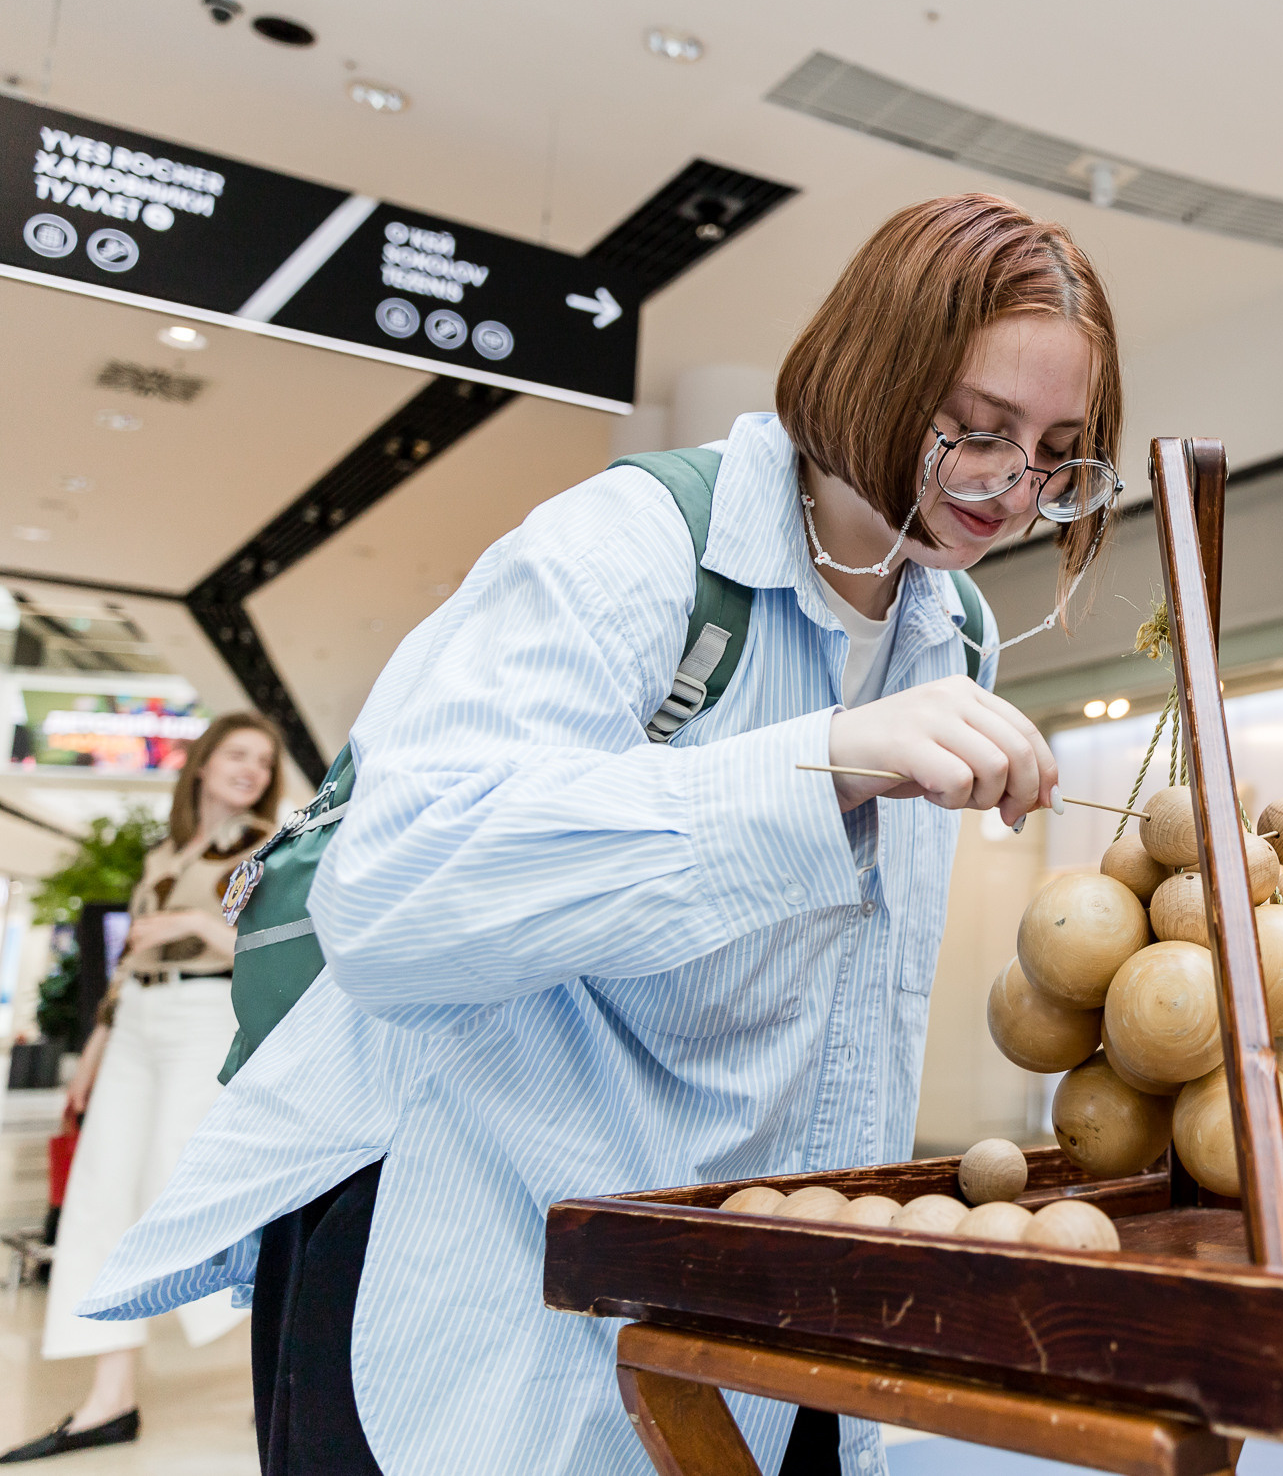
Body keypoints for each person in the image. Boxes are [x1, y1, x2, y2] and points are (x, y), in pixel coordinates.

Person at [79, 193, 1125, 1476]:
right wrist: (818, 764)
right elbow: (395, 900)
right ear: (870, 367)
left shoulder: (947, 626)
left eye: (1058, 451)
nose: (1012, 486)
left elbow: (853, 1012)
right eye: (975, 429)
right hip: (453, 1230)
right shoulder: (630, 544)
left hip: (694, 1257)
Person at [5, 712, 281, 1464]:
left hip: (201, 1012)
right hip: (137, 1024)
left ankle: (279, 1376)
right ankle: (109, 1400)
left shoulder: (267, 844)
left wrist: (196, 918)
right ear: (202, 763)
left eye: (262, 759)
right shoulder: (165, 852)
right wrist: (94, 1044)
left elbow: (273, 945)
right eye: (236, 753)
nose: (250, 769)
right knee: (101, 1197)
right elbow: (126, 968)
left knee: (189, 1192)